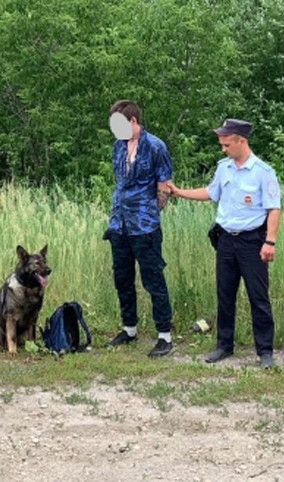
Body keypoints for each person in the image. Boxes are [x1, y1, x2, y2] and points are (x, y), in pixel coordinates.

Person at [168, 119, 282, 368]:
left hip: (253, 241)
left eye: (227, 144)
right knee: (225, 294)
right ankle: (224, 345)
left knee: (258, 297)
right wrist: (179, 192)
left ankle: (265, 352)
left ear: (242, 140)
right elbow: (211, 193)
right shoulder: (224, 168)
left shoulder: (263, 172)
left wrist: (270, 241)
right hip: (225, 240)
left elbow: (274, 209)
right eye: (222, 144)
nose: (223, 149)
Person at [104, 100, 175, 358]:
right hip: (119, 223)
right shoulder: (118, 147)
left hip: (144, 225)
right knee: (122, 278)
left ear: (133, 121)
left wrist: (150, 211)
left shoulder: (155, 146)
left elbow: (164, 186)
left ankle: (164, 335)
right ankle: (129, 329)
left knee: (153, 278)